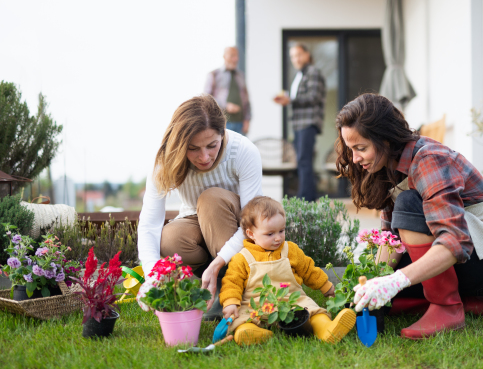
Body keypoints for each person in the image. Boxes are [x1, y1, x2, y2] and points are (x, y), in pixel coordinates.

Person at [335, 93, 483, 339]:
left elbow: (455, 240)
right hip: (458, 258)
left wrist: (396, 280)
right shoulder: (387, 165)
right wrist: (376, 283)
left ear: (386, 140)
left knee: (409, 202)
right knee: (386, 298)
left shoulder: (430, 159)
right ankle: (470, 304)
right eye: (351, 149)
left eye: (361, 148)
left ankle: (447, 307)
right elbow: (392, 240)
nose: (355, 159)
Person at [137, 95, 263, 320]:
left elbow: (251, 223)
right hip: (199, 224)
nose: (204, 157)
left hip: (240, 226)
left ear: (222, 133)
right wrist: (152, 277)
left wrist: (218, 263)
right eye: (193, 148)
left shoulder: (243, 151)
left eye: (212, 145)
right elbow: (149, 225)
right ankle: (208, 284)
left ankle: (232, 286)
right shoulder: (165, 160)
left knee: (210, 199)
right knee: (169, 239)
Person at [220, 196, 356, 345]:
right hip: (257, 306)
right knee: (243, 319)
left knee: (312, 310)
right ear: (251, 234)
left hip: (292, 301)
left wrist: (327, 287)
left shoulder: (290, 250)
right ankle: (250, 333)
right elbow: (232, 282)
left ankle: (327, 328)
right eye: (270, 234)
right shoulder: (242, 258)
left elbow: (309, 271)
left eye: (281, 231)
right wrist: (231, 302)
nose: (278, 238)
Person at [273, 44, 326, 202]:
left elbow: (313, 97)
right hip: (298, 124)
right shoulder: (299, 75)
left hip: (308, 122)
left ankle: (307, 199)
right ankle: (305, 197)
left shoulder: (313, 72)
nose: (296, 59)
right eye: (292, 56)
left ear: (307, 54)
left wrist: (290, 99)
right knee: (302, 162)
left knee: (304, 161)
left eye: (298, 55)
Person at [204, 47, 252, 135]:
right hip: (222, 123)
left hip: (240, 123)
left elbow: (246, 99)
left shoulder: (241, 75)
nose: (236, 59)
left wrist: (247, 120)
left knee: (240, 148)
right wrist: (225, 106)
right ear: (224, 56)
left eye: (237, 56)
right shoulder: (214, 75)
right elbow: (207, 98)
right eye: (232, 55)